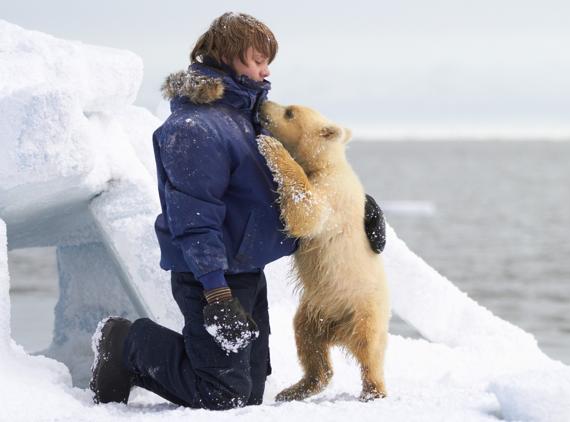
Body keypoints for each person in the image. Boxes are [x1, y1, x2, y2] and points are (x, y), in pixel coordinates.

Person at [89, 12, 386, 410]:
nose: (265, 72)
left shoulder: (246, 117)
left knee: (248, 394)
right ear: (225, 57)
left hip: (246, 268)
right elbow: (194, 219)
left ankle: (163, 365)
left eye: (267, 62)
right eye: (255, 60)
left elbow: (293, 174)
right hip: (209, 275)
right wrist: (216, 293)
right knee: (222, 395)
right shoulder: (195, 129)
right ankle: (126, 342)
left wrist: (358, 206)